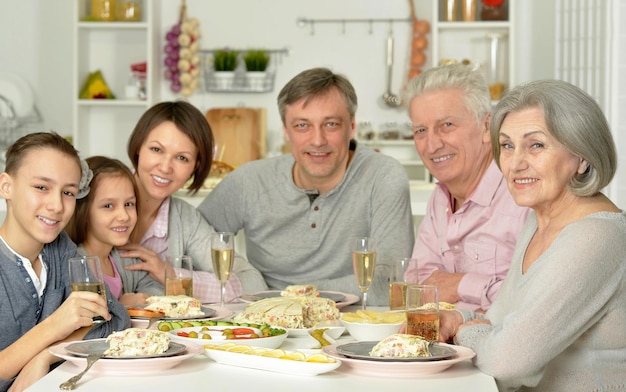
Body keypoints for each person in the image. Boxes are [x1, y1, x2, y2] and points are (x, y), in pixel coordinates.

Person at [439, 79, 626, 391]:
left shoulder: (598, 236)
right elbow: (504, 321)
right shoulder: (539, 220)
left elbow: (508, 363)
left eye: (536, 145)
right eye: (508, 145)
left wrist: (464, 332)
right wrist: (457, 318)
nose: (516, 163)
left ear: (582, 157)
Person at [197, 67, 415, 306]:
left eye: (331, 124)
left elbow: (390, 283)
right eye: (302, 125)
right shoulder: (249, 181)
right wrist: (247, 277)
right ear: (286, 132)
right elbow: (191, 242)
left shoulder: (383, 176)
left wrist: (284, 297)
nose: (318, 140)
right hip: (263, 328)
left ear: (352, 127)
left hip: (352, 327)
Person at [0, 132, 129, 391]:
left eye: (68, 192)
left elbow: (114, 318)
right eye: (41, 187)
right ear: (6, 186)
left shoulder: (60, 249)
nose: (57, 205)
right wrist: (55, 326)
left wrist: (45, 356)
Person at [404, 64, 529, 311]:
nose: (432, 145)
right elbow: (416, 285)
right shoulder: (440, 198)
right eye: (420, 130)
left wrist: (459, 285)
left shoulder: (523, 197)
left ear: (487, 128)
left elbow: (534, 301)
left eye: (447, 125)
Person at [119, 101, 267, 303]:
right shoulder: (98, 195)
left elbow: (253, 282)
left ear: (195, 167)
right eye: (156, 149)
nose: (165, 167)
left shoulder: (185, 218)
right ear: (138, 148)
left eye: (182, 158)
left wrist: (171, 276)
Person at [65, 156, 163, 306]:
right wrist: (121, 305)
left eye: (129, 204)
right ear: (83, 211)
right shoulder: (73, 264)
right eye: (108, 206)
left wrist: (143, 298)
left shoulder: (125, 258)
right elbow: (86, 317)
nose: (124, 216)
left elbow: (155, 287)